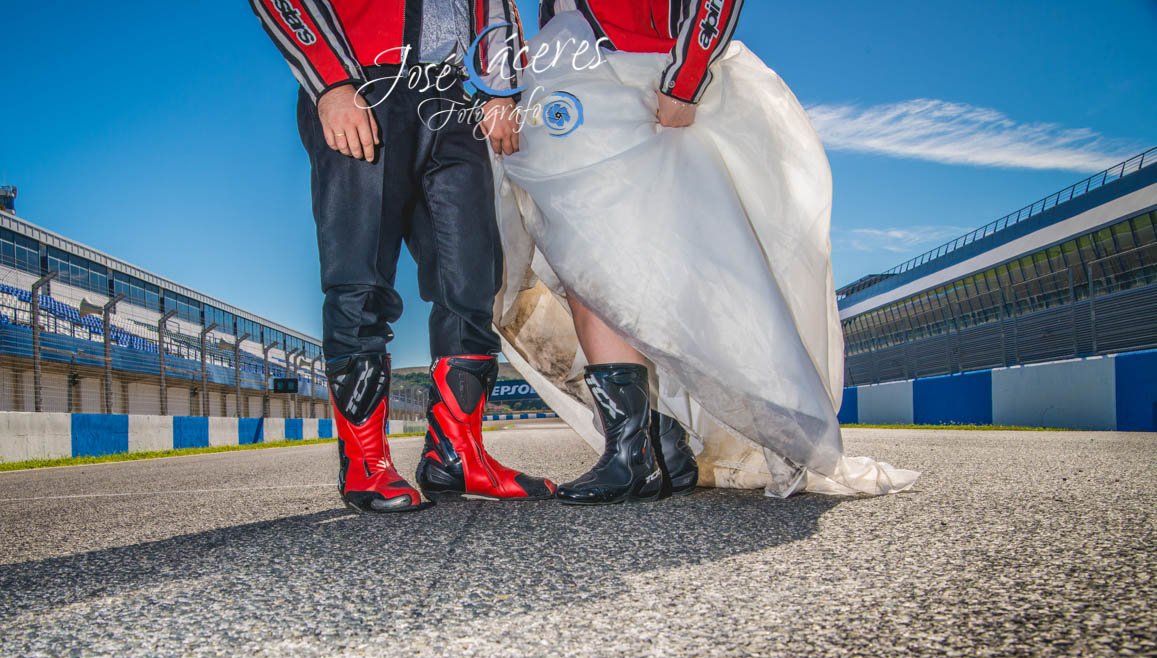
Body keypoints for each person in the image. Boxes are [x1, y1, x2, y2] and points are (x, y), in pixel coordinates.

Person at [492, 0, 919, 502]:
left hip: (647, 75)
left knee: (681, 263)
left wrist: (685, 78)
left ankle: (673, 439)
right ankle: (641, 448)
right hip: (566, 79)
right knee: (584, 263)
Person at [248, 0, 556, 512]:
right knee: (359, 279)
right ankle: (365, 464)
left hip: (453, 97)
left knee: (472, 280)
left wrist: (500, 87)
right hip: (361, 84)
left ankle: (456, 456)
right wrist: (330, 81)